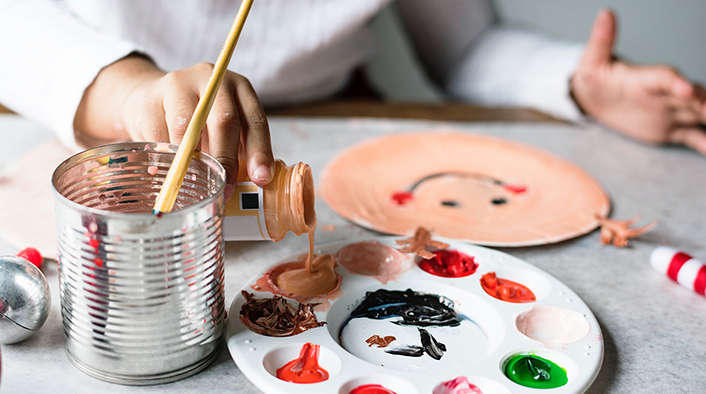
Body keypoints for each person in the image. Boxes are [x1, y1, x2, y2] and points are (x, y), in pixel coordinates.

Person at [0, 0, 704, 200]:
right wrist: (133, 92)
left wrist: (577, 88)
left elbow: (464, 50)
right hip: (99, 110)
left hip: (327, 122)